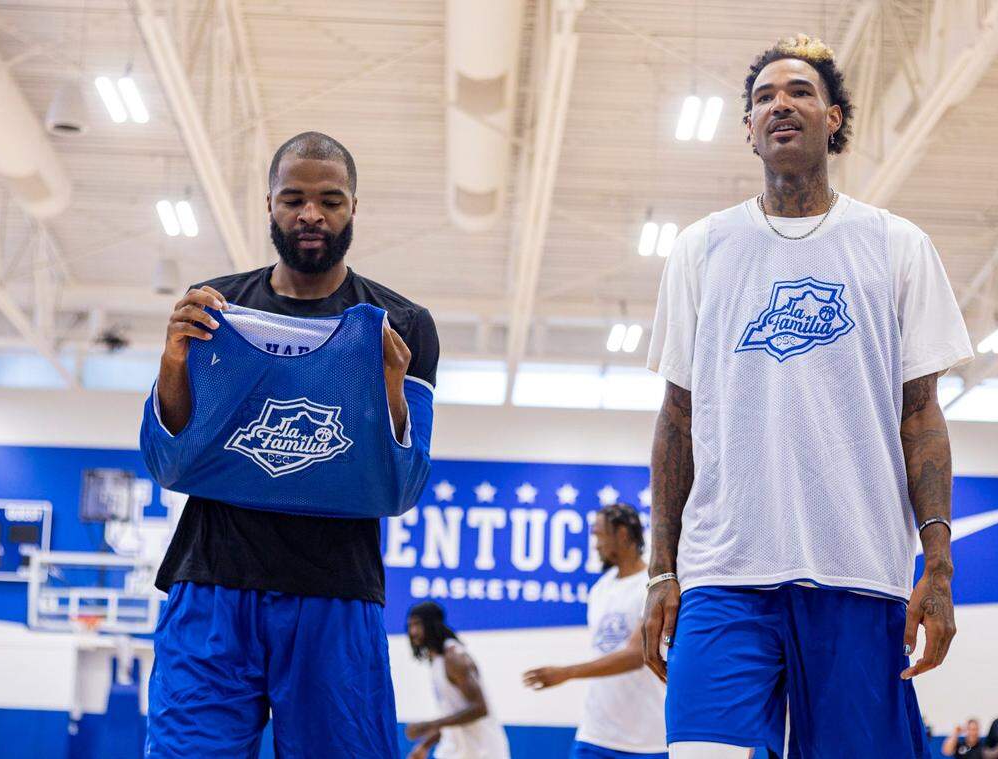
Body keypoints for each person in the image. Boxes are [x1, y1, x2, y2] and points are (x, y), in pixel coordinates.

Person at [642, 34, 974, 758]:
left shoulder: (896, 245)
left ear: (834, 118)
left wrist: (939, 567)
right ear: (749, 128)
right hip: (725, 573)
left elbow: (921, 415)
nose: (780, 104)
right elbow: (677, 419)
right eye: (764, 97)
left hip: (857, 568)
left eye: (800, 92)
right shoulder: (702, 248)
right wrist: (662, 568)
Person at [145, 131, 439, 758]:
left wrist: (390, 383)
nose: (311, 214)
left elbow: (400, 489)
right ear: (270, 205)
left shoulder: (403, 325)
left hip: (336, 593)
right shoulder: (214, 308)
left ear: (353, 207)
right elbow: (169, 461)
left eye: (330, 200)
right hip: (212, 581)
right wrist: (172, 360)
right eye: (293, 199)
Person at [522, 503, 669, 759]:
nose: (595, 545)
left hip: (646, 741)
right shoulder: (601, 588)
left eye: (599, 535)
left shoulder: (651, 586)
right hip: (596, 734)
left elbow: (636, 655)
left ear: (622, 534)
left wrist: (566, 673)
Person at [405, 601, 511, 759]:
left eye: (417, 624)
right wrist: (425, 745)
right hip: (457, 750)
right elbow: (453, 714)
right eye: (410, 626)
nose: (413, 631)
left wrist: (429, 725)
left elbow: (480, 708)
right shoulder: (437, 660)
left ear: (432, 624)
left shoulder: (454, 657)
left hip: (484, 752)